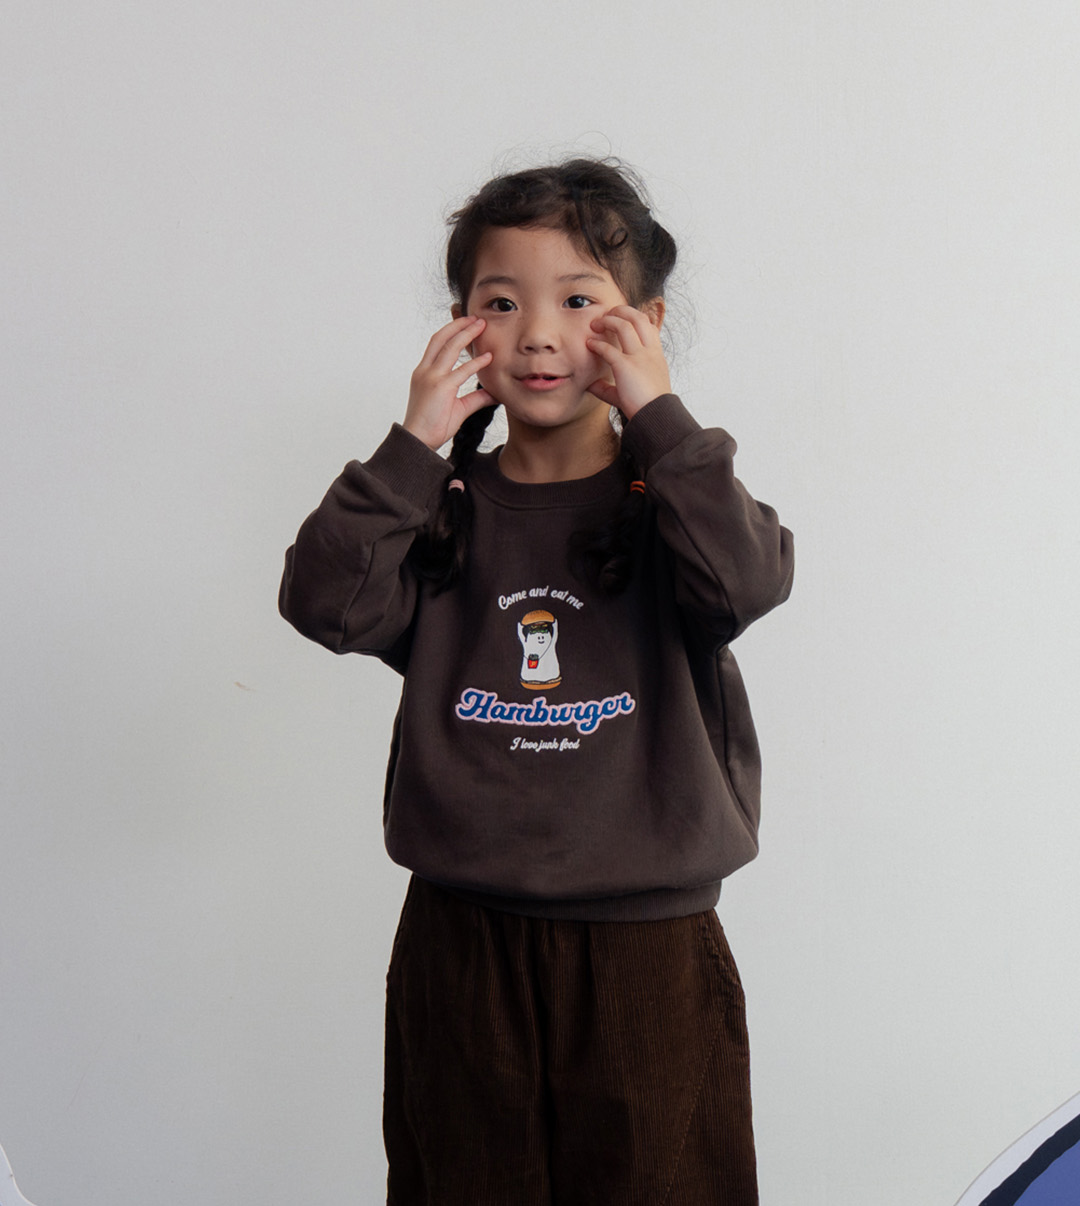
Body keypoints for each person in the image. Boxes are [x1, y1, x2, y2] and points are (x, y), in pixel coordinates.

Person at [279, 158, 794, 1205]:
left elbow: (747, 580)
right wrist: (414, 445)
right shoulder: (438, 510)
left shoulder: (675, 507)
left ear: (646, 325)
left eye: (580, 302)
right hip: (461, 948)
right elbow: (325, 604)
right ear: (460, 328)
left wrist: (661, 416)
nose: (540, 336)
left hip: (649, 951)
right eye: (502, 304)